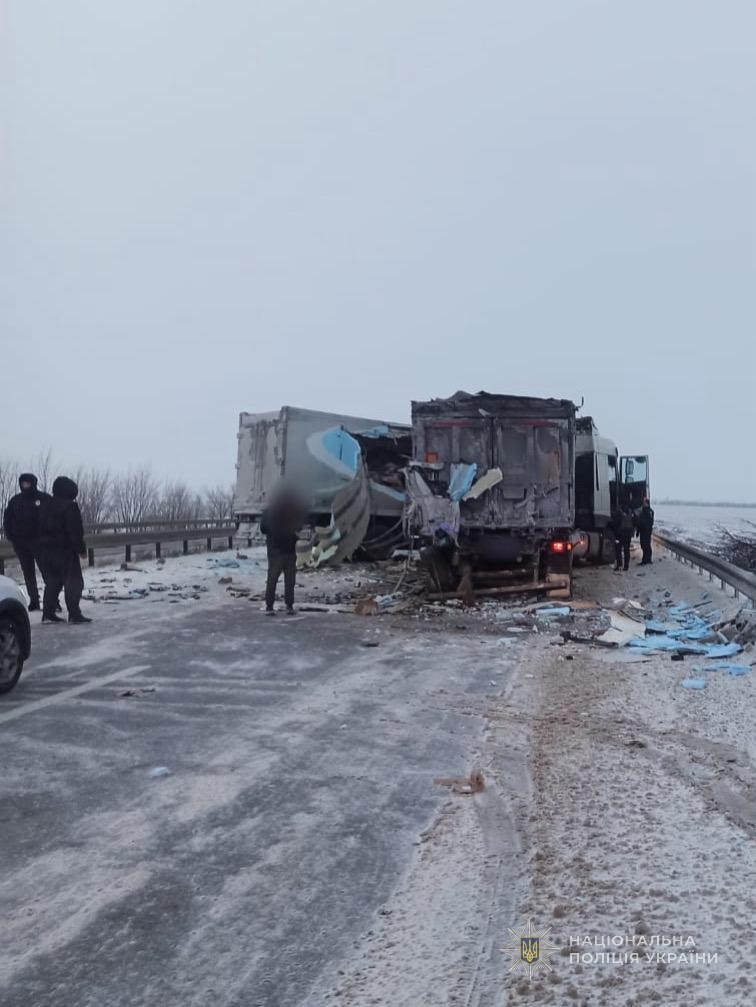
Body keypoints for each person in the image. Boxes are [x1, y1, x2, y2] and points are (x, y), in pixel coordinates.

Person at [37, 476, 91, 624]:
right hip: (64, 551)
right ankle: (74, 613)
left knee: (53, 582)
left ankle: (48, 614)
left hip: (44, 551)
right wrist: (81, 549)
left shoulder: (44, 505)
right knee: (74, 582)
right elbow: (75, 531)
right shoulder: (70, 507)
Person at [2, 473, 48, 611]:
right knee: (28, 574)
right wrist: (11, 536)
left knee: (47, 572)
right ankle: (34, 600)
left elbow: (52, 518)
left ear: (33, 483)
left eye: (28, 483)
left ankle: (52, 600)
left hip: (40, 543)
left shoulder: (43, 498)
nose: (25, 486)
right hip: (21, 544)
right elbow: (7, 519)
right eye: (23, 483)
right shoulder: (15, 501)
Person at [260, 489, 306, 615]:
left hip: (274, 550)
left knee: (272, 579)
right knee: (290, 580)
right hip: (289, 550)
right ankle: (289, 606)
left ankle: (269, 607)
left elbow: (263, 528)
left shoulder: (269, 512)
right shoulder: (292, 510)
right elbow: (299, 526)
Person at [610, 502, 634, 572]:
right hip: (628, 534)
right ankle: (626, 566)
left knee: (618, 550)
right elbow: (634, 522)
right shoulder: (630, 512)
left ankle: (619, 565)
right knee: (627, 550)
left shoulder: (619, 512)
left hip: (620, 535)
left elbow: (615, 523)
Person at [636, 497, 655, 565]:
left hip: (646, 531)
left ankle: (647, 560)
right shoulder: (643, 511)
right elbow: (640, 521)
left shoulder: (649, 511)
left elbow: (649, 522)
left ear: (647, 503)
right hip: (643, 531)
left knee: (646, 545)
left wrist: (642, 525)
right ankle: (645, 560)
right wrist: (638, 531)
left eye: (644, 503)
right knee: (643, 545)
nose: (643, 504)